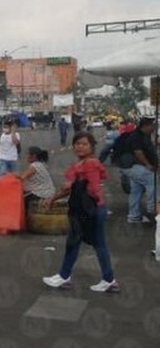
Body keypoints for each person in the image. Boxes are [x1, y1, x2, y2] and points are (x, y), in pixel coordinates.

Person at [42, 132, 119, 293]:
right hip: (91, 209)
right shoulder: (85, 164)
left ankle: (65, 277)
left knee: (78, 243)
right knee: (90, 244)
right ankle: (107, 280)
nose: (80, 147)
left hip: (88, 210)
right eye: (77, 144)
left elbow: (93, 188)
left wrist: (73, 185)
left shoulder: (89, 164)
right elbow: (78, 187)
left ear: (92, 146)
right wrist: (54, 198)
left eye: (84, 144)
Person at [117, 117, 157, 224]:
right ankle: (151, 213)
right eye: (151, 125)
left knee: (136, 190)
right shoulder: (136, 136)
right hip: (132, 166)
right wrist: (148, 165)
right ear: (145, 126)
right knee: (152, 182)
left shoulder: (143, 135)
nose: (153, 127)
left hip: (132, 167)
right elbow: (138, 152)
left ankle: (134, 216)